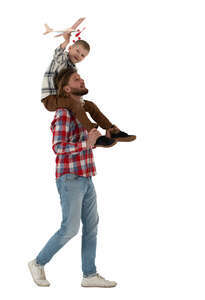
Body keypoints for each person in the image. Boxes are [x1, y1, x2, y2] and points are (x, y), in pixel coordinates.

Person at [28, 68, 117, 288]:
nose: (82, 79)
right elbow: (58, 147)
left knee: (92, 226)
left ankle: (90, 275)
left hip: (86, 176)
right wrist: (85, 144)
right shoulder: (63, 113)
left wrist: (104, 139)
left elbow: (89, 142)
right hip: (70, 178)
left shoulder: (83, 112)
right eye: (77, 79)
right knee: (70, 228)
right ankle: (38, 263)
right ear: (67, 89)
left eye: (81, 77)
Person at [41, 32, 136, 147]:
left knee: (90, 105)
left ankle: (111, 130)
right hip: (51, 98)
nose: (78, 55)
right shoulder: (62, 59)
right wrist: (66, 41)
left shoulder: (73, 68)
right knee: (75, 105)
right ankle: (94, 136)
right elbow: (58, 53)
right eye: (77, 51)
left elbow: (72, 88)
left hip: (64, 96)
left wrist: (81, 101)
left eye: (82, 55)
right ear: (70, 48)